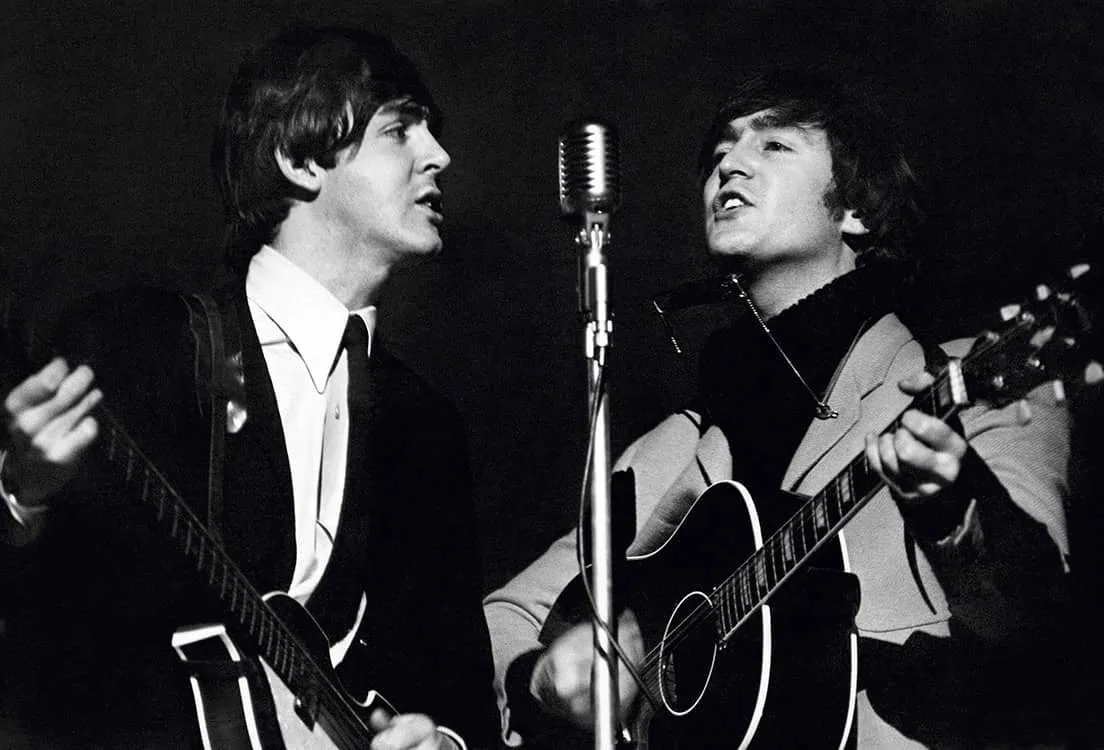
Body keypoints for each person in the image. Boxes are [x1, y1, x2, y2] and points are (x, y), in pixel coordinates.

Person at [483, 68, 1072, 748]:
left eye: (774, 146)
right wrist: (542, 678)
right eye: (721, 153)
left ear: (856, 211)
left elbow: (1034, 620)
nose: (729, 163)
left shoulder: (958, 386)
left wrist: (954, 507)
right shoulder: (670, 448)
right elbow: (502, 613)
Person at [0, 25, 498, 750]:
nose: (440, 155)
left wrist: (441, 742)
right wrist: (20, 491)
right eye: (400, 130)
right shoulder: (136, 343)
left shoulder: (427, 425)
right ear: (299, 161)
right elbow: (49, 632)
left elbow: (460, 696)